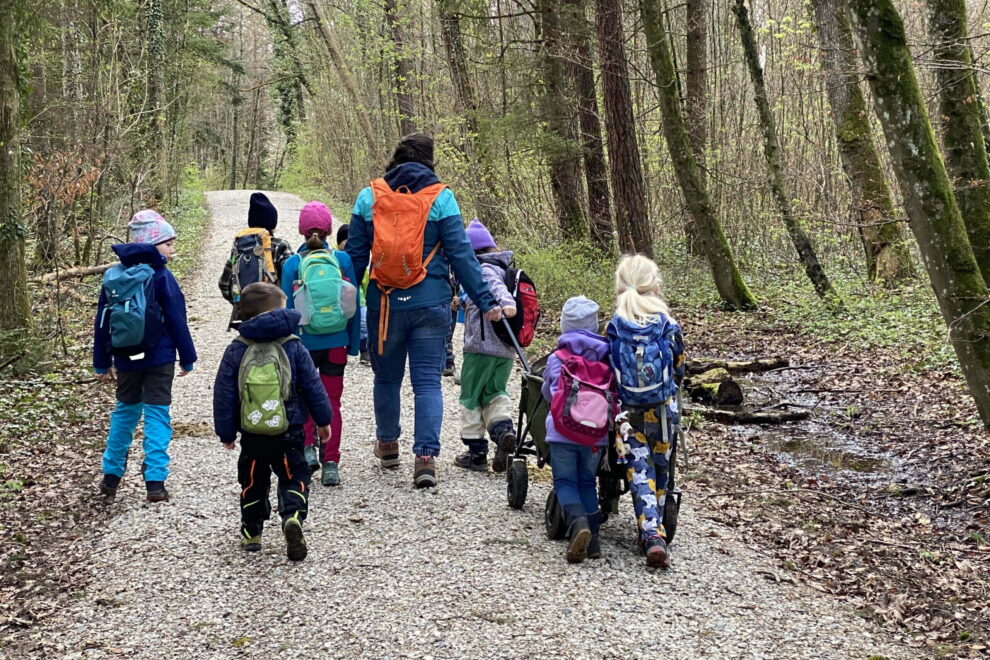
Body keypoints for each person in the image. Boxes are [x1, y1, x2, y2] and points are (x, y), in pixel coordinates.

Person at [346, 133, 502, 488]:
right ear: (429, 162)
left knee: (386, 378)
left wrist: (345, 306)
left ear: (395, 158)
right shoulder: (441, 198)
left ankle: (387, 445)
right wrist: (486, 302)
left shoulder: (369, 196)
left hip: (384, 304)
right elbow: (463, 257)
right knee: (427, 382)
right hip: (431, 303)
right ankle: (425, 458)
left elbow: (355, 259)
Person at [213, 282, 332, 561]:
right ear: (279, 311)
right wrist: (323, 420)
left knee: (253, 481)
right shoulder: (293, 345)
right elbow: (314, 386)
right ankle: (291, 516)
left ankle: (252, 532)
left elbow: (225, 393)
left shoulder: (237, 347)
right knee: (293, 476)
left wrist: (226, 432)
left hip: (253, 434)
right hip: (290, 431)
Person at [94, 209, 197, 502]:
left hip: (125, 357)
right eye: (168, 243)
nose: (172, 248)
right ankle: (155, 482)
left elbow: (102, 321)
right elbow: (177, 318)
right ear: (154, 245)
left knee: (124, 413)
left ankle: (111, 476)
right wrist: (187, 357)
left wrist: (102, 361)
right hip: (159, 357)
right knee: (156, 414)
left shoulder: (114, 275)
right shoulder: (161, 275)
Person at [607, 255, 685, 569]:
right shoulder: (668, 324)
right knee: (662, 471)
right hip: (663, 413)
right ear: (654, 285)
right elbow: (679, 370)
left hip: (628, 415)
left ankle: (651, 534)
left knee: (640, 472)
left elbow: (609, 372)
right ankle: (658, 532)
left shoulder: (614, 326)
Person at [280, 202, 360, 486]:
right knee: (332, 402)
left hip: (303, 344)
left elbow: (288, 308)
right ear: (328, 230)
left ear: (302, 231)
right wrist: (352, 343)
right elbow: (353, 304)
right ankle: (331, 463)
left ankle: (308, 450)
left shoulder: (292, 264)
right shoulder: (342, 260)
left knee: (302, 398)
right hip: (336, 342)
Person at [541, 296, 613, 563]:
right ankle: (592, 542)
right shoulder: (607, 359)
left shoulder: (558, 357)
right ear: (595, 326)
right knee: (586, 482)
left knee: (564, 482)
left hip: (562, 432)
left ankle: (578, 523)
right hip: (596, 435)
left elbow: (549, 394)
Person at [454, 220, 518, 473]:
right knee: (494, 393)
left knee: (470, 397)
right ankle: (503, 432)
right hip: (505, 349)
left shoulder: (483, 268)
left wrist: (506, 303)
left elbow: (496, 289)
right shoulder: (503, 267)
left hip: (480, 347)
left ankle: (475, 453)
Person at [218, 192, 294, 322]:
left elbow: (224, 284)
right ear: (272, 224)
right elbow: (292, 280)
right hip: (276, 316)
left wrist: (243, 305)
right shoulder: (280, 246)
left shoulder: (238, 248)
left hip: (247, 319)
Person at [336, 223, 371, 364]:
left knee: (363, 322)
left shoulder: (358, 259)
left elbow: (365, 281)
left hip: (359, 300)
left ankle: (364, 349)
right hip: (336, 299)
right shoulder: (333, 257)